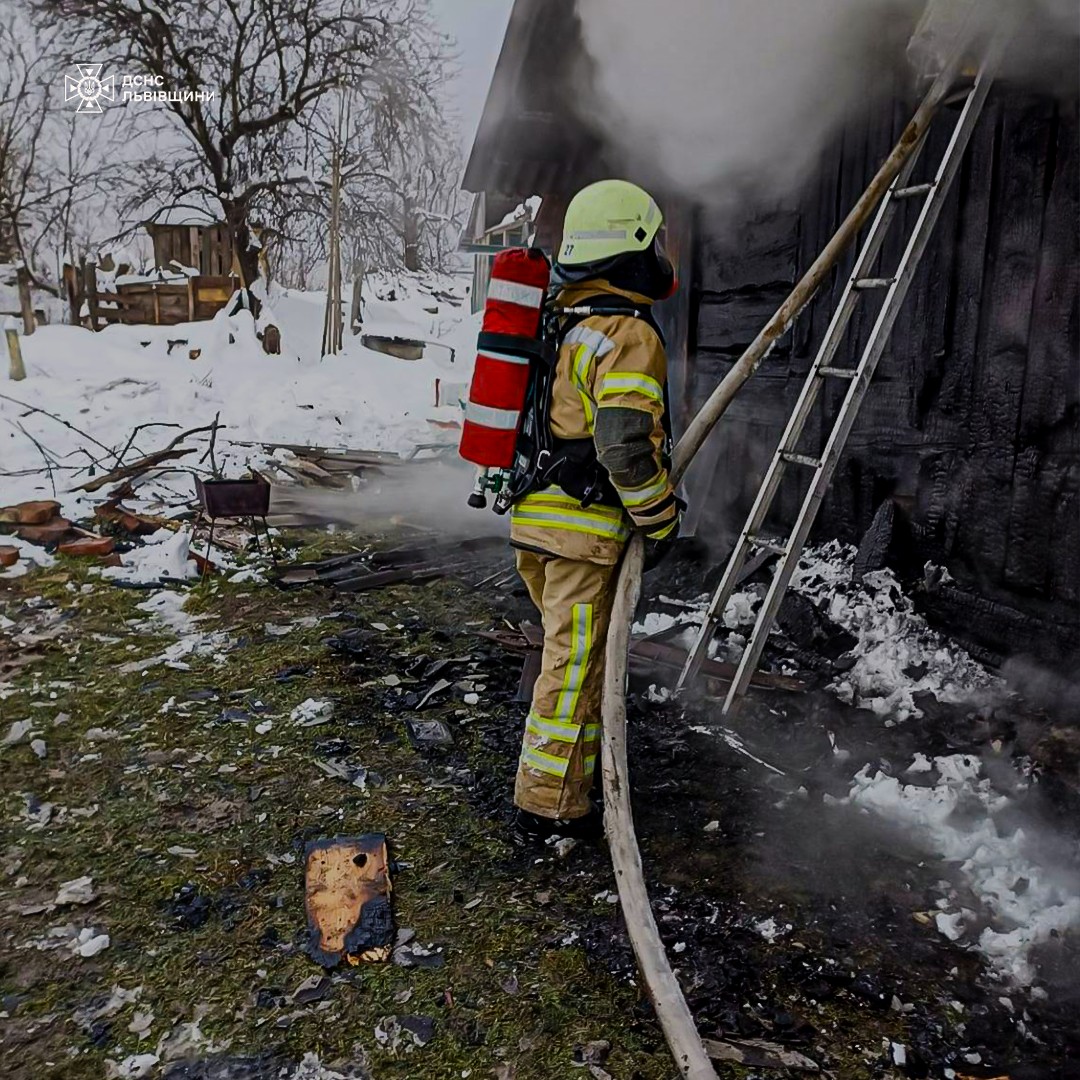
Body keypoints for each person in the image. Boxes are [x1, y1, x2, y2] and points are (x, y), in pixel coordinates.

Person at [510, 179, 682, 843]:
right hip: (582, 535)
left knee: (574, 660)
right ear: (633, 250)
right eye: (655, 241)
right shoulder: (627, 335)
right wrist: (661, 518)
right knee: (574, 667)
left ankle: (572, 787)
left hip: (537, 523)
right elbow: (623, 447)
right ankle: (546, 806)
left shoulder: (565, 326)